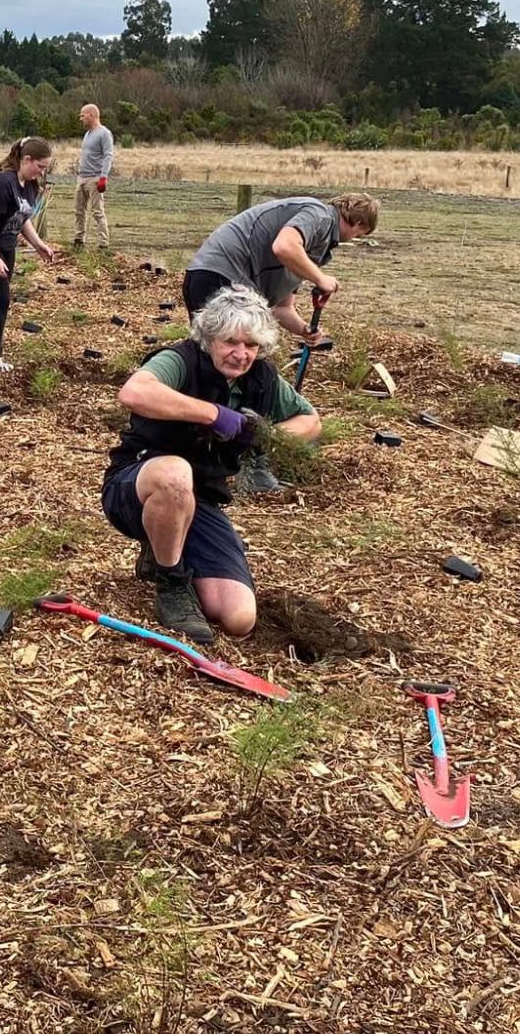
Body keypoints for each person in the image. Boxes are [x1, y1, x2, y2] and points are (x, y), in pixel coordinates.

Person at [102, 286, 322, 644]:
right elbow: (134, 392)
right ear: (209, 338)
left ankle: (161, 548)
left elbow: (311, 421)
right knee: (175, 475)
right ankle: (171, 583)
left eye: (250, 345)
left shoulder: (262, 379)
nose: (241, 354)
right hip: (137, 484)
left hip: (201, 499)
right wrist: (214, 415)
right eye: (230, 342)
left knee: (238, 617)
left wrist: (264, 435)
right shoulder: (181, 360)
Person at [183, 193, 381, 339]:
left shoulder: (312, 247)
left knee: (212, 359)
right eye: (360, 234)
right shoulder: (320, 216)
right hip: (221, 277)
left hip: (212, 278)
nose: (354, 238)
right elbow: (284, 246)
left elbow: (281, 308)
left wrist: (305, 330)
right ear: (358, 223)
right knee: (230, 357)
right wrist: (320, 278)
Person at [0, 137, 61, 373]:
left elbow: (22, 218)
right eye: (40, 166)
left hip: (7, 247)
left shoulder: (29, 185)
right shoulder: (4, 182)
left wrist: (39, 244)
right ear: (26, 159)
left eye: (45, 168)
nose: (41, 172)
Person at [73, 103, 114, 250]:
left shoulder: (104, 133)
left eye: (82, 115)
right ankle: (79, 240)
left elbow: (108, 155)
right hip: (82, 177)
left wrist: (103, 177)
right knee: (79, 210)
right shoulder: (87, 134)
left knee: (97, 212)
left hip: (95, 178)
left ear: (91, 115)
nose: (81, 119)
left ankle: (103, 243)